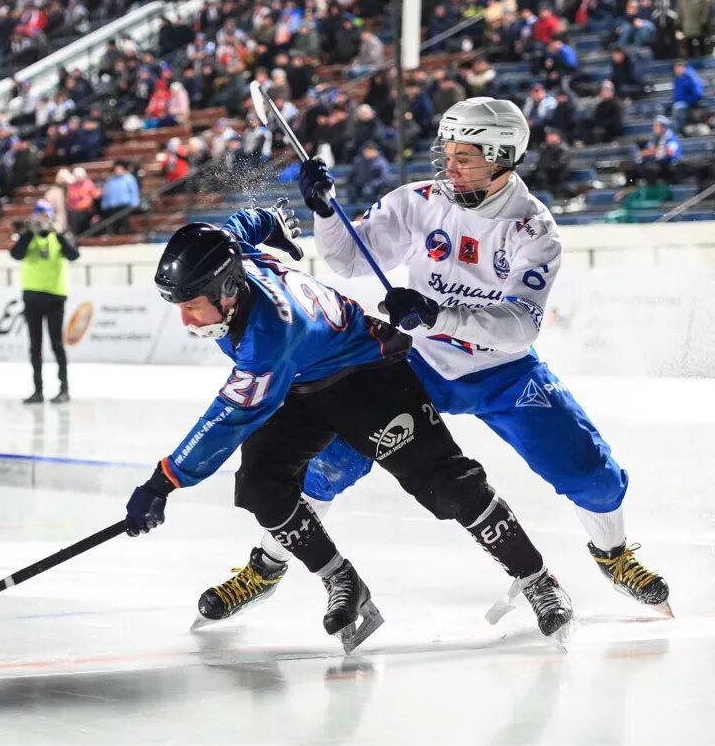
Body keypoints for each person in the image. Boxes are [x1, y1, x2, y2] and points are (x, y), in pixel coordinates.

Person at [124, 209, 574, 650]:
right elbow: (243, 223)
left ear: (225, 291)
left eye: (191, 307)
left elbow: (227, 418)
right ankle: (341, 580)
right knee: (261, 485)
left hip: (367, 376)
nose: (185, 320)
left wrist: (162, 482)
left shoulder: (268, 336)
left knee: (447, 484)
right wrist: (275, 222)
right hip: (300, 383)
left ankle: (537, 578)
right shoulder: (234, 257)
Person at [296, 97, 671, 616]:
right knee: (329, 461)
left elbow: (519, 328)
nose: (449, 168)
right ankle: (268, 561)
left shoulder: (533, 228)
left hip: (502, 371)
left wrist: (434, 314)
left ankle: (613, 554)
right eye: (446, 155)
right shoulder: (419, 200)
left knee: (591, 472)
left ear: (502, 157)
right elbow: (348, 260)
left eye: (464, 158)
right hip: (421, 364)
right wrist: (325, 214)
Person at [9, 200, 79, 404]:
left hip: (55, 296)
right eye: (38, 216)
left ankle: (63, 389)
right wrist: (29, 233)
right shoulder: (27, 237)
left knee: (57, 344)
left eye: (45, 216)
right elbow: (16, 254)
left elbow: (73, 255)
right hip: (32, 296)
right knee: (35, 346)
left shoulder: (59, 237)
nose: (42, 220)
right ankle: (37, 390)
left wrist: (57, 233)